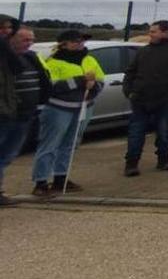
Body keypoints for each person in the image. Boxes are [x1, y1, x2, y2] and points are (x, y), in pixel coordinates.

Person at [31, 30, 104, 197]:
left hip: (83, 107)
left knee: (70, 145)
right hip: (58, 108)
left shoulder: (89, 58)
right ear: (64, 43)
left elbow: (100, 79)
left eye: (82, 41)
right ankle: (40, 182)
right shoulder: (52, 61)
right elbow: (52, 86)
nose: (80, 44)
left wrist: (93, 87)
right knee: (49, 144)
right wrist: (79, 81)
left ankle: (60, 178)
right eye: (75, 41)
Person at [122, 20, 168, 177]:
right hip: (140, 98)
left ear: (166, 32)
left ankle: (163, 160)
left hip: (165, 99)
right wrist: (129, 92)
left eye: (153, 32)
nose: (150, 35)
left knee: (163, 131)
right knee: (136, 131)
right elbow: (130, 72)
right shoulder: (144, 51)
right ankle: (131, 163)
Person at [1, 21, 50, 205]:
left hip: (25, 115)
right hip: (5, 115)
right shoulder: (4, 59)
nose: (29, 43)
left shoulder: (31, 57)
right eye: (24, 39)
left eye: (32, 39)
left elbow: (44, 80)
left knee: (7, 155)